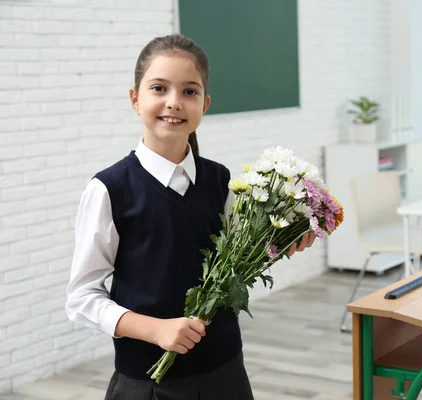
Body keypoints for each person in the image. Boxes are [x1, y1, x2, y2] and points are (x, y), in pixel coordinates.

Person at [65, 34, 316, 400]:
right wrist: (156, 330)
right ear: (135, 99)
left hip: (226, 374)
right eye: (159, 88)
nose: (174, 103)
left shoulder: (222, 181)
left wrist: (285, 242)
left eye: (189, 92)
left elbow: (240, 260)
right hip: (148, 384)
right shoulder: (109, 190)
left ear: (205, 103)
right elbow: (82, 297)